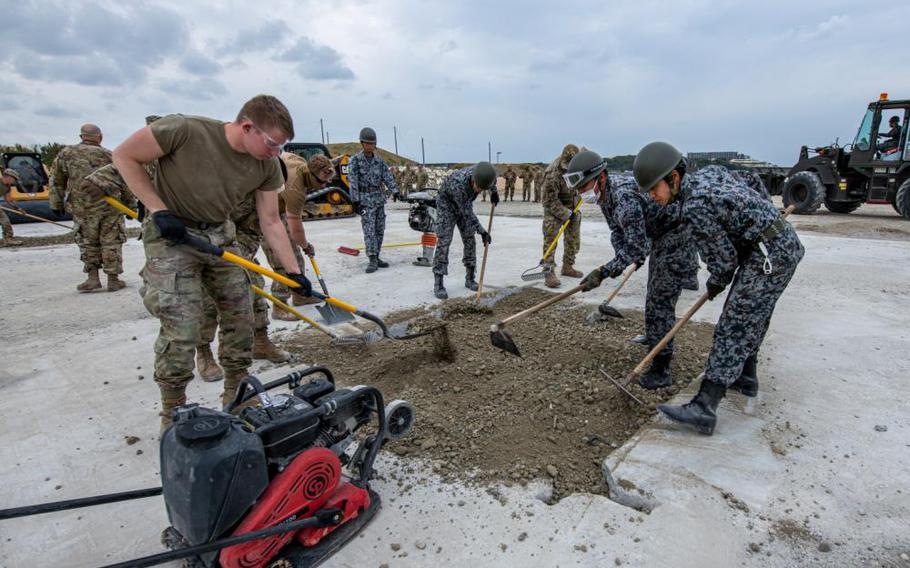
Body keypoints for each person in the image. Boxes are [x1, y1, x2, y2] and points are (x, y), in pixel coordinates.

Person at [112, 94, 312, 430]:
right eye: (273, 143)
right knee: (183, 325)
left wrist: (294, 272)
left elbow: (271, 221)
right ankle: (173, 410)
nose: (277, 153)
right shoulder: (184, 130)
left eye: (282, 146)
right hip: (172, 236)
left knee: (241, 311)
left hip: (220, 236)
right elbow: (123, 155)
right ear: (248, 126)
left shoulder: (265, 165)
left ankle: (237, 395)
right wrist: (158, 209)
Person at [633, 141, 804, 435]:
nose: (652, 196)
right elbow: (751, 183)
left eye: (654, 189)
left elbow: (724, 262)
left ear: (674, 178)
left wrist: (715, 283)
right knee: (753, 316)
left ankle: (704, 405)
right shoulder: (707, 175)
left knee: (734, 323)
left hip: (768, 254)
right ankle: (745, 377)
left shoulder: (695, 206)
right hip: (777, 245)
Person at [567, 150, 699, 389]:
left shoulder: (624, 197)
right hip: (657, 235)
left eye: (585, 185)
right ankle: (654, 335)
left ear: (601, 177)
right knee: (653, 292)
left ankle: (661, 366)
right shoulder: (605, 197)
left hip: (676, 234)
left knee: (660, 299)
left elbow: (637, 249)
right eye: (578, 188)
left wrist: (604, 271)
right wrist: (620, 258)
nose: (581, 192)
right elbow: (618, 232)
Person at [49, 124, 128, 292]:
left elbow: (56, 180)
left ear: (81, 136)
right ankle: (113, 280)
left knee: (88, 241)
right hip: (110, 207)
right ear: (100, 137)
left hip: (82, 207)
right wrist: (131, 204)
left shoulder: (66, 154)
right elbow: (124, 180)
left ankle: (93, 279)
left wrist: (56, 203)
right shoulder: (109, 154)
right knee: (111, 241)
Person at [432, 162, 498, 299]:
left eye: (482, 189)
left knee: (469, 239)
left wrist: (494, 192)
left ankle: (470, 278)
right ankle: (438, 283)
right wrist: (482, 231)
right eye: (478, 188)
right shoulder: (459, 185)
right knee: (444, 242)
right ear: (473, 180)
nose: (479, 191)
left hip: (464, 204)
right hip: (447, 206)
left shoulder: (486, 174)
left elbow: (492, 183)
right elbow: (467, 213)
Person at [347, 127, 399, 273]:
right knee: (369, 230)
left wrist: (395, 191)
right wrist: (355, 200)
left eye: (372, 143)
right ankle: (372, 258)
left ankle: (377, 255)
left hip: (378, 199)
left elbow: (387, 177)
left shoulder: (379, 161)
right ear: (362, 143)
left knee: (379, 229)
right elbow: (353, 181)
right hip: (365, 200)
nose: (370, 146)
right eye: (367, 143)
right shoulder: (355, 161)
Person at [540, 144, 582, 288]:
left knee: (573, 238)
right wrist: (565, 214)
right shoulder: (553, 172)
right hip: (554, 208)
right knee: (550, 240)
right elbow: (548, 200)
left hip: (573, 205)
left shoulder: (578, 163)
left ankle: (568, 266)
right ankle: (548, 272)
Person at [0, 169, 23, 245]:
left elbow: (9, 200)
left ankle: (8, 240)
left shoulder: (7, 187)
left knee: (5, 221)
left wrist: (18, 208)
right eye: (14, 179)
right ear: (8, 177)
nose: (14, 181)